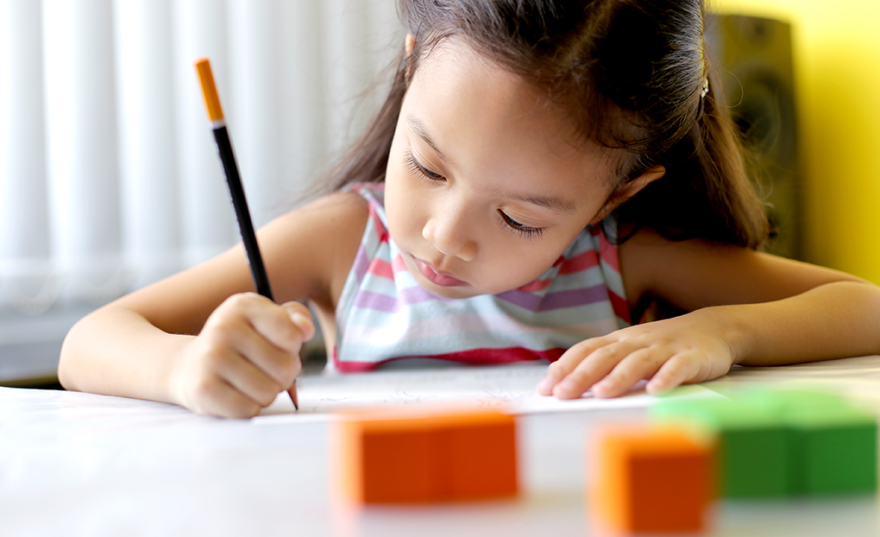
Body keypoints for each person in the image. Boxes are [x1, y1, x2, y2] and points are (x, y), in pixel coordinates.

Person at [59, 0, 880, 418]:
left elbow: (866, 309)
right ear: (411, 70)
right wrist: (182, 370)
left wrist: (723, 330)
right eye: (426, 164)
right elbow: (87, 342)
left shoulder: (619, 255)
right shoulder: (347, 241)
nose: (444, 238)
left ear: (614, 196)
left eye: (521, 219)